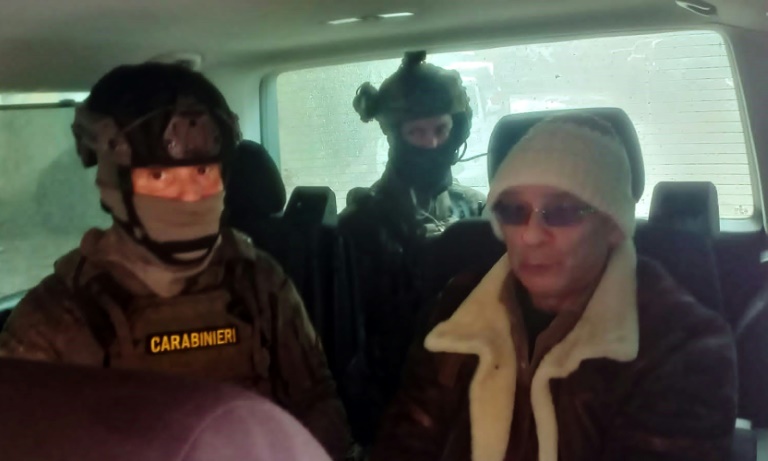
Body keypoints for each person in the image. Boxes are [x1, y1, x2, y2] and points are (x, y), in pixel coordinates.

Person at [0, 63, 352, 460]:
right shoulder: (57, 316)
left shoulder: (258, 280)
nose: (189, 197)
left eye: (203, 173)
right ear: (113, 181)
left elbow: (317, 403)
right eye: (161, 179)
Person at [371, 114, 737, 461]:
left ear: (612, 227)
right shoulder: (457, 307)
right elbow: (404, 445)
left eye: (562, 211)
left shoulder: (681, 342)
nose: (530, 236)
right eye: (513, 211)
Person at [338, 51, 485, 446]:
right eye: (416, 133)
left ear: (457, 128)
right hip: (400, 399)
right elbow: (358, 345)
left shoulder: (478, 210)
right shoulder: (361, 225)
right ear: (395, 134)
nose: (432, 143)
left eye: (440, 130)